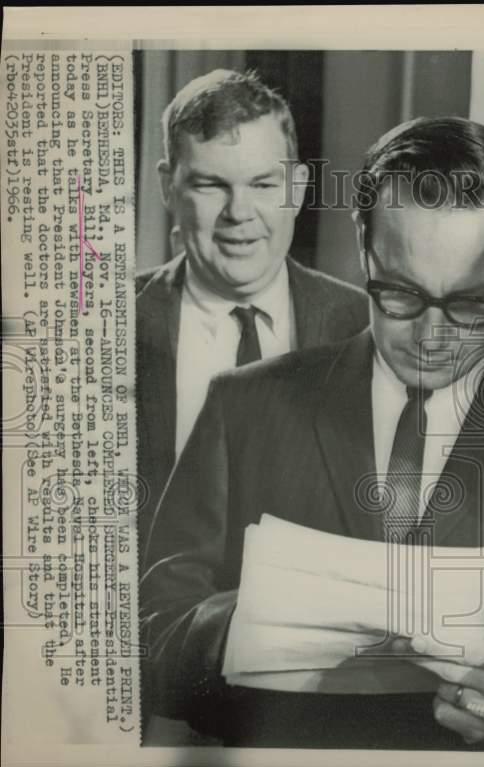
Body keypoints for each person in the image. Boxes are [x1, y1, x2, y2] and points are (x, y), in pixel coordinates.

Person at [139, 116, 484, 750]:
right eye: (401, 295)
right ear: (364, 246)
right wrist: (254, 619)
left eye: (471, 303)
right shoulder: (245, 407)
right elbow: (147, 648)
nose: (433, 335)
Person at [136, 69, 369, 550]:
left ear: (298, 187)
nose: (239, 213)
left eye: (263, 185)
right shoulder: (101, 328)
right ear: (167, 186)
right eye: (210, 185)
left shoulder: (364, 328)